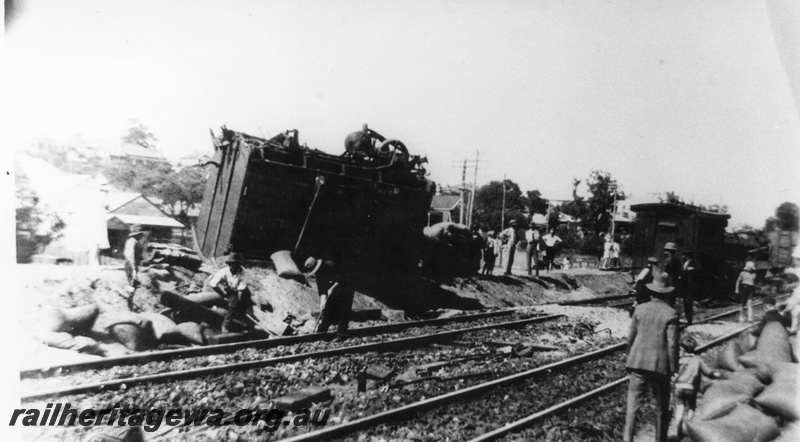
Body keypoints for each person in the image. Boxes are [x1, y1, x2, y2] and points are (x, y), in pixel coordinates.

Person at [624, 273, 679, 442]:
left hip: (637, 361)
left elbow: (631, 337)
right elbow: (672, 345)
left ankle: (627, 439)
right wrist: (674, 368)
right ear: (667, 293)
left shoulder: (639, 309)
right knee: (661, 407)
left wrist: (628, 356)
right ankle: (659, 439)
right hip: (660, 366)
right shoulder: (672, 313)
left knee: (632, 406)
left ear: (652, 292)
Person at [669, 336, 720, 440]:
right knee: (691, 408)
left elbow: (672, 372)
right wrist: (716, 375)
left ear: (681, 349)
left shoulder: (678, 360)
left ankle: (678, 431)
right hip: (691, 388)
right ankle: (689, 429)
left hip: (678, 387)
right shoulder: (698, 359)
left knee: (679, 409)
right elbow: (708, 372)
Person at [305, 257, 355, 335]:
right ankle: (321, 332)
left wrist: (332, 288)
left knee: (343, 310)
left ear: (319, 266)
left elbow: (343, 278)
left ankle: (341, 334)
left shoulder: (332, 265)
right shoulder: (319, 274)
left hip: (346, 287)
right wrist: (323, 302)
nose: (316, 272)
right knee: (327, 309)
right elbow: (322, 289)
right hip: (334, 289)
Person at [209, 253, 255, 334]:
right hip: (231, 290)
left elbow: (241, 291)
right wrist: (223, 295)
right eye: (230, 264)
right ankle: (225, 325)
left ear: (238, 265)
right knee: (233, 306)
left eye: (234, 264)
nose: (232, 267)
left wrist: (241, 304)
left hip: (243, 290)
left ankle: (250, 327)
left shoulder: (244, 273)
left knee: (247, 307)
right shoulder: (223, 271)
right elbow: (213, 284)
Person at [123, 225, 146, 292]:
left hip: (135, 261)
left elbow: (138, 253)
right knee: (131, 274)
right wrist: (133, 265)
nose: (141, 236)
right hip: (130, 261)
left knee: (134, 274)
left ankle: (133, 286)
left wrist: (140, 260)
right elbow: (130, 254)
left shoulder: (136, 242)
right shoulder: (131, 242)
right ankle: (130, 288)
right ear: (137, 234)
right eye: (140, 234)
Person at [680, 251, 702, 325]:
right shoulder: (686, 263)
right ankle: (687, 319)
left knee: (689, 302)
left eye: (683, 255)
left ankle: (689, 320)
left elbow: (693, 274)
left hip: (690, 286)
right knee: (686, 302)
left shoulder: (693, 263)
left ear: (686, 256)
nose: (682, 257)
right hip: (686, 286)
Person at [661, 242, 682, 307]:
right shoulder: (677, 260)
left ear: (669, 251)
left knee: (667, 301)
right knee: (670, 301)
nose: (664, 252)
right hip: (672, 284)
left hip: (668, 283)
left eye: (666, 250)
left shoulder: (668, 260)